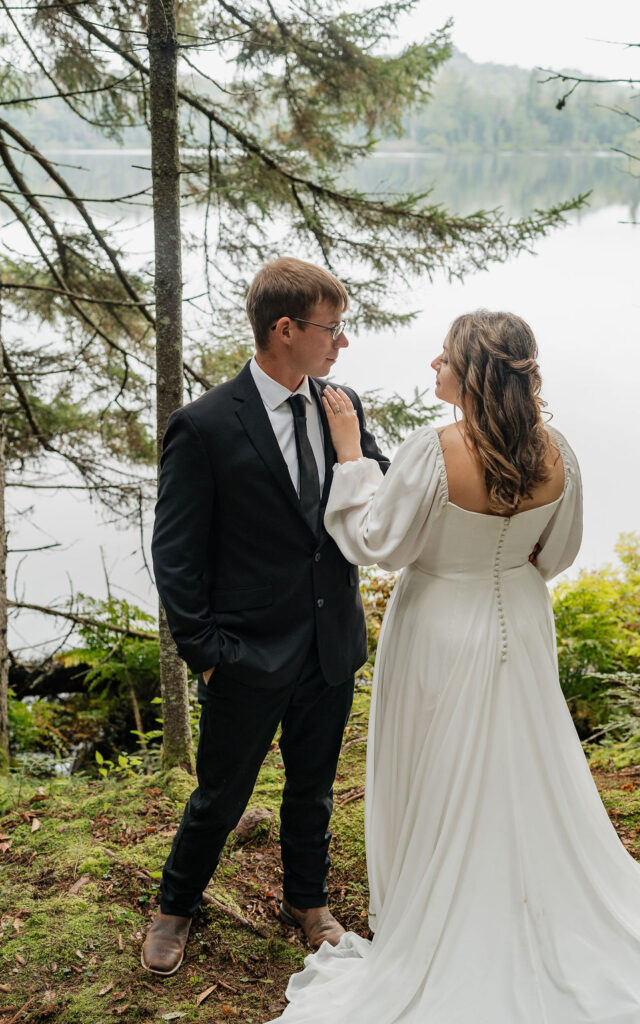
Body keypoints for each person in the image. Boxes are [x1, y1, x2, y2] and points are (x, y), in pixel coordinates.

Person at [266, 310, 640, 1023]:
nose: (433, 363)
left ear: (474, 371)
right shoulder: (558, 451)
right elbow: (557, 554)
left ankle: (442, 909)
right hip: (519, 617)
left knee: (438, 763)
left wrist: (349, 456)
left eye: (445, 357)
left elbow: (378, 543)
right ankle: (526, 893)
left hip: (438, 620)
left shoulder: (433, 450)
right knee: (521, 760)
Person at [142, 257, 389, 977]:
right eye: (330, 329)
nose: (339, 343)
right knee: (220, 795)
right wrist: (208, 652)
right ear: (284, 329)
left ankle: (307, 902)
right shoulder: (205, 425)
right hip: (246, 653)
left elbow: (368, 508)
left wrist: (350, 448)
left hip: (329, 644)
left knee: (311, 789)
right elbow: (176, 554)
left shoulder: (341, 406)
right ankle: (175, 906)